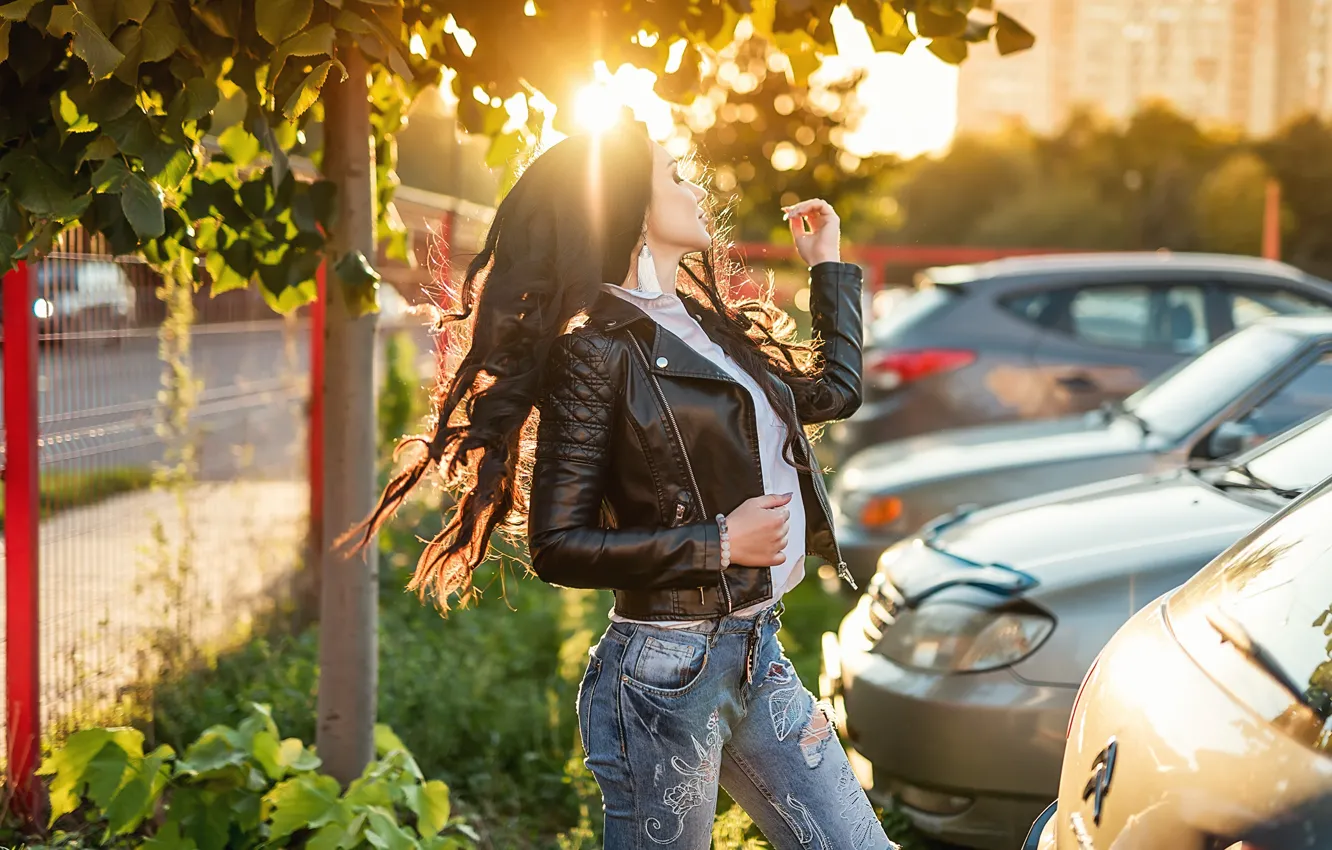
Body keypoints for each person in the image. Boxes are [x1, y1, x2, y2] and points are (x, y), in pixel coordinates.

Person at [353, 119, 894, 850]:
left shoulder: (702, 324)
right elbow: (559, 543)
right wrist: (721, 541)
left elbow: (830, 393)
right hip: (665, 673)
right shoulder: (594, 348)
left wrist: (828, 267)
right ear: (633, 207)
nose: (695, 187)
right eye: (674, 175)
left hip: (756, 650)